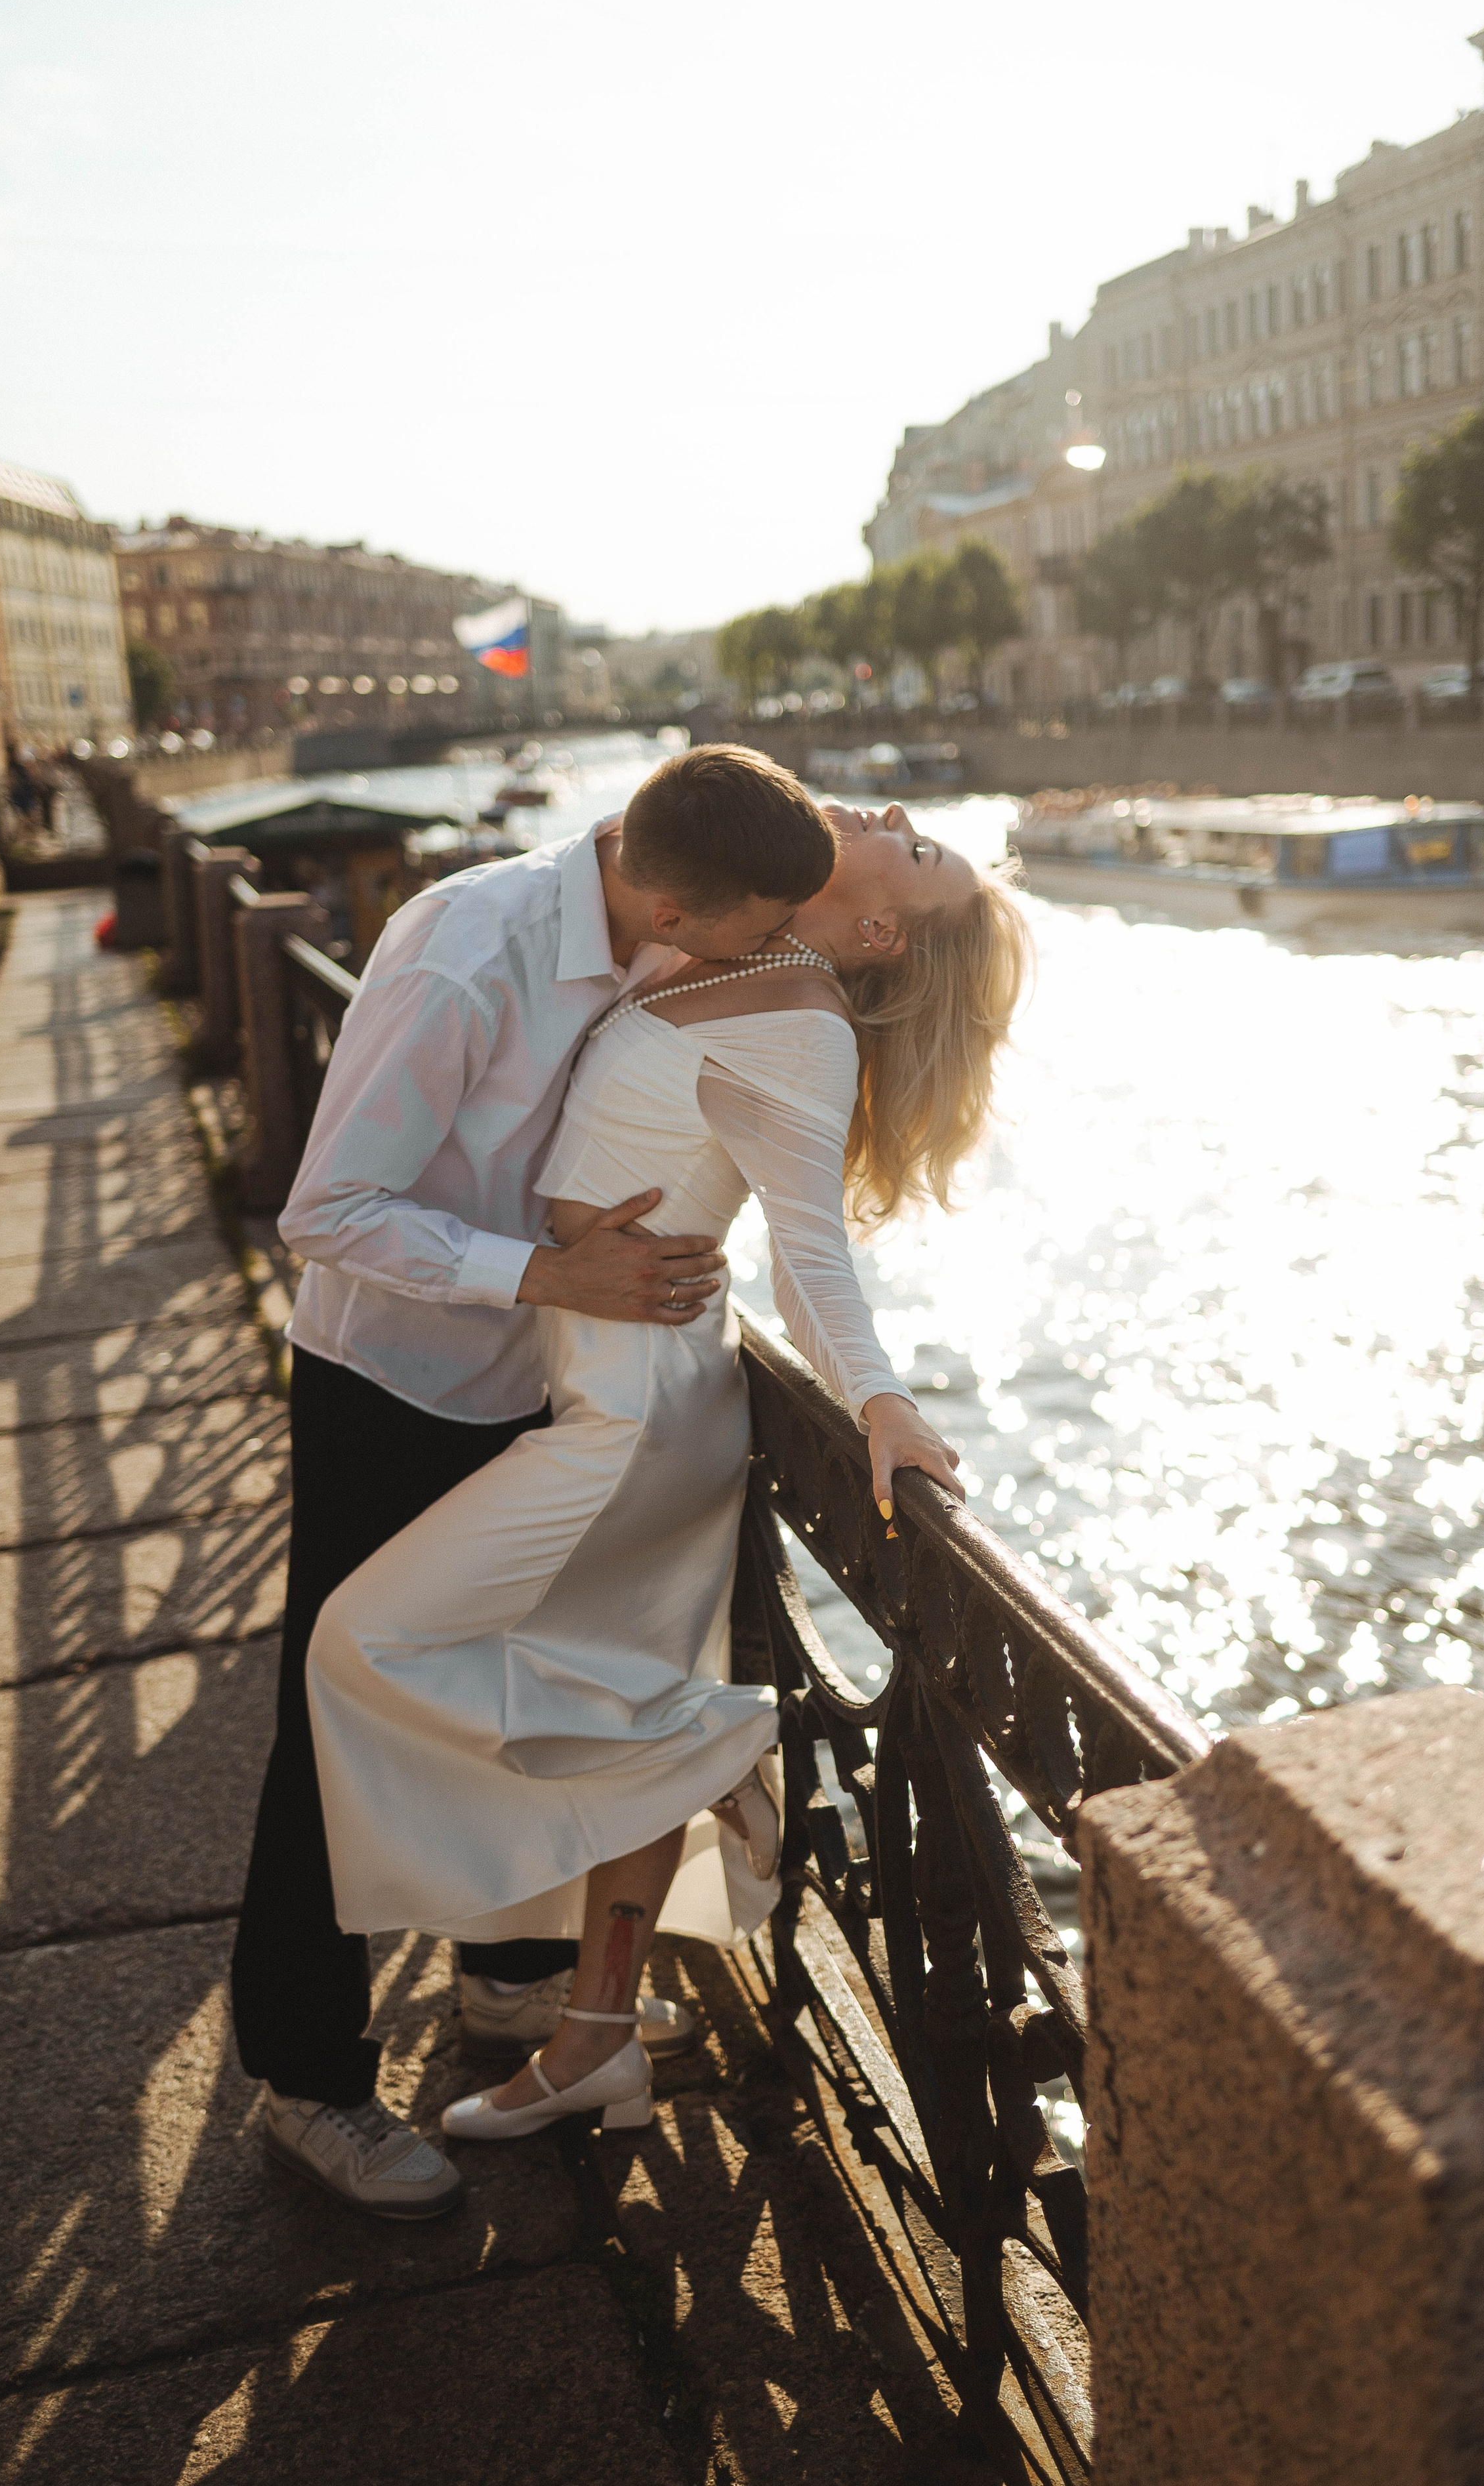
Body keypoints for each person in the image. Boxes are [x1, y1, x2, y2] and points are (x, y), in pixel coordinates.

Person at [302, 798, 1029, 2158]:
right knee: (600, 1680)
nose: (893, 813)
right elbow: (652, 841)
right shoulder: (727, 946)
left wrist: (876, 1395)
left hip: (627, 1414)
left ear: (878, 929)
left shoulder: (799, 1016)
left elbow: (811, 1247)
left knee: (365, 1644)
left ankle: (716, 1738)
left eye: (916, 849)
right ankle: (592, 2045)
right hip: (588, 1384)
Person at [232, 745, 838, 2219]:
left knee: (527, 1671)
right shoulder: (467, 951)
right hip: (396, 1380)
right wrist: (546, 1270)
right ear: (651, 881)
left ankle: (509, 1975)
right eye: (732, 931)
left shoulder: (666, 927)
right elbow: (326, 1208)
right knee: (344, 1696)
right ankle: (305, 2078)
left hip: (543, 1385)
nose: (749, 956)